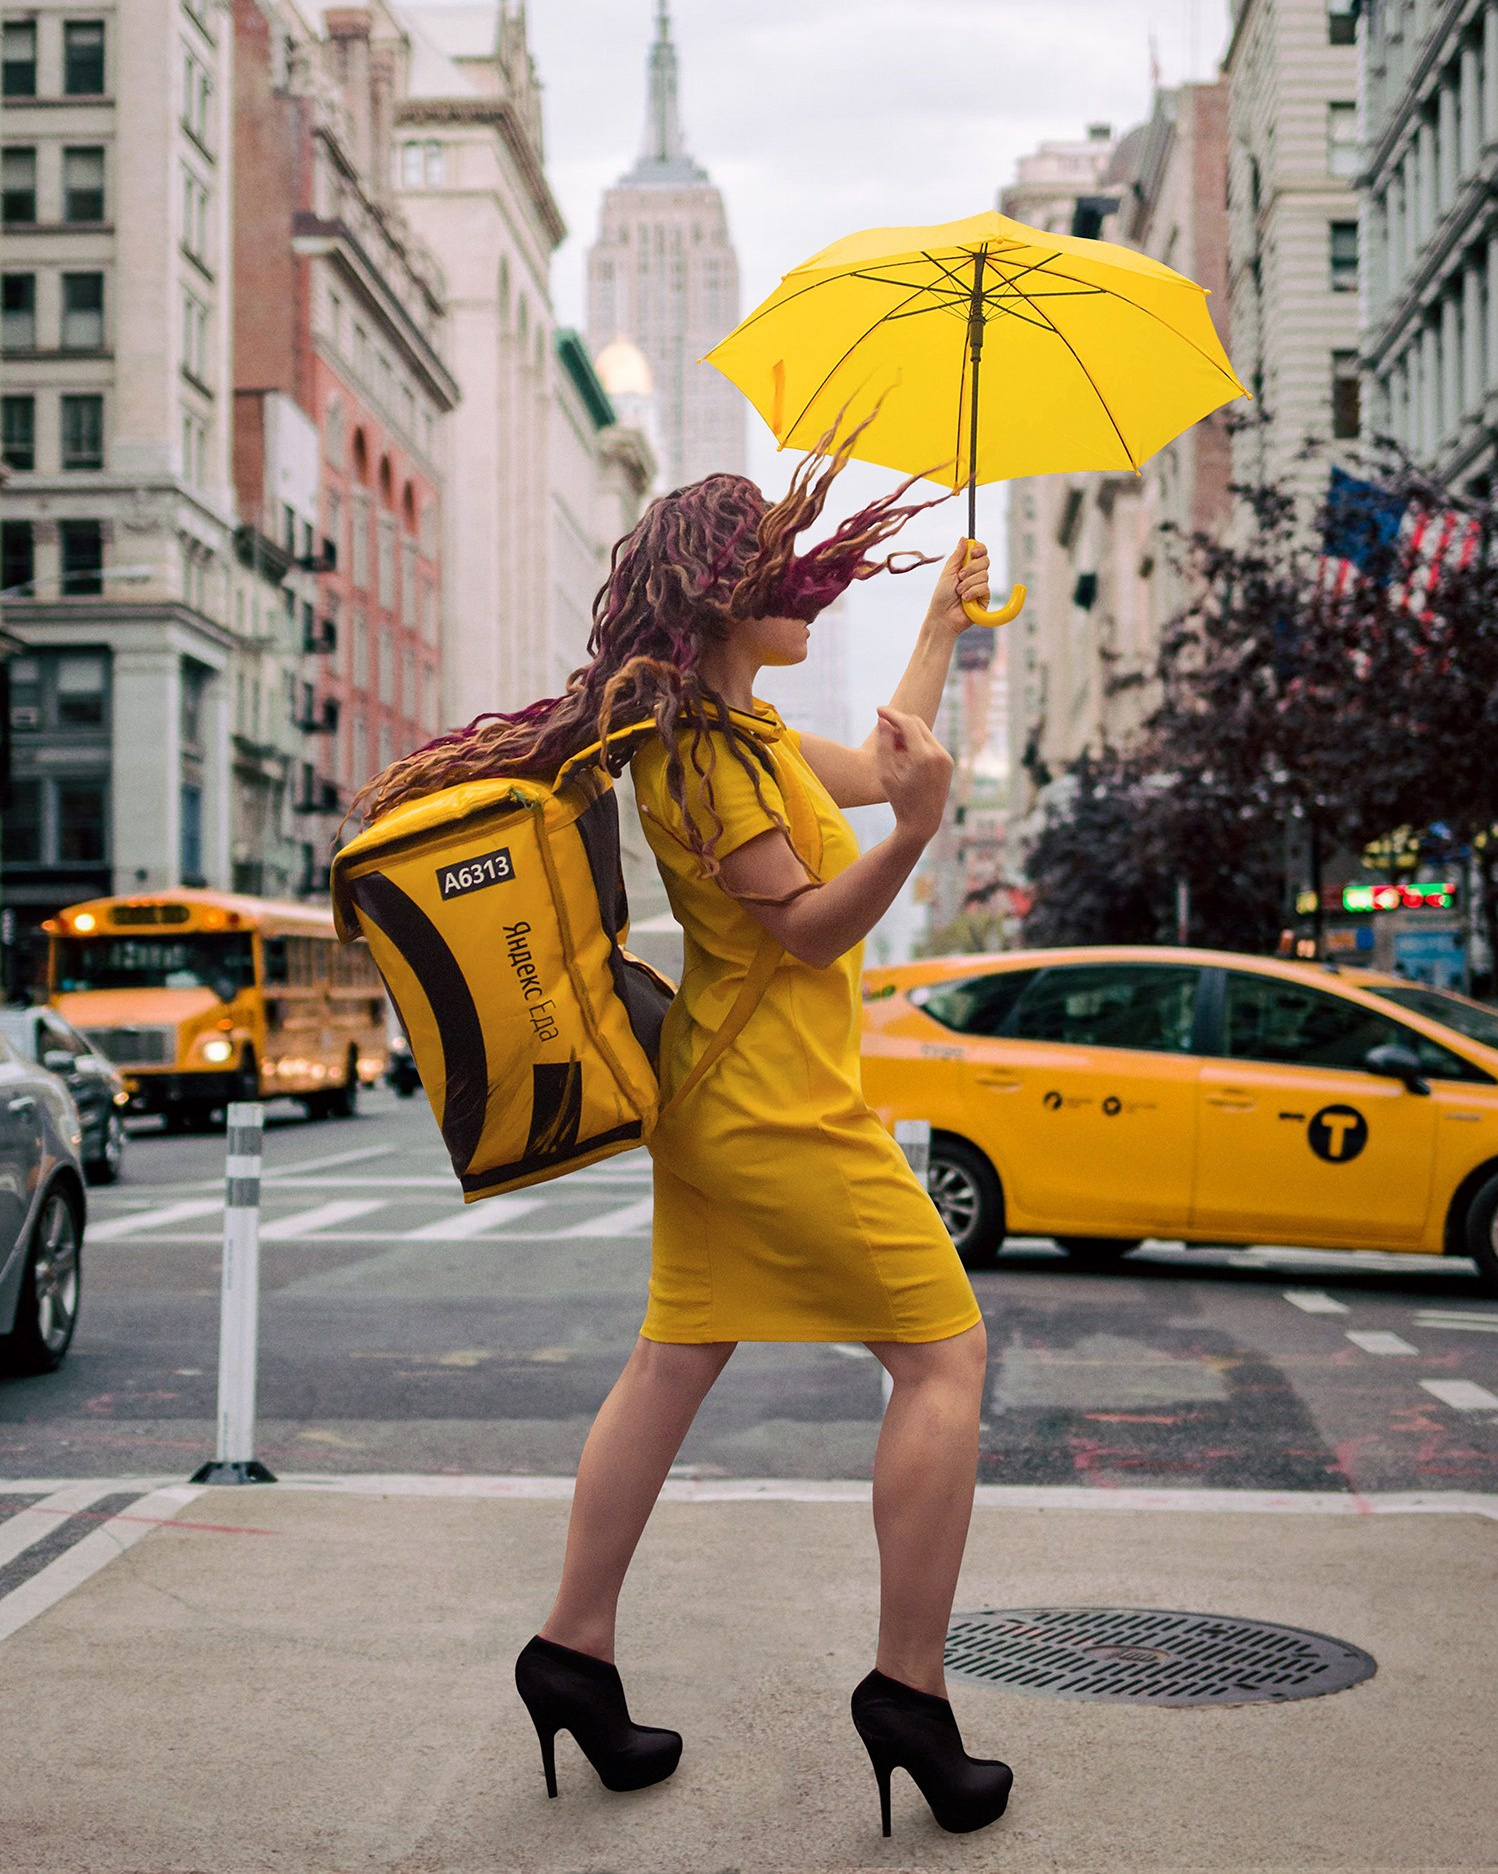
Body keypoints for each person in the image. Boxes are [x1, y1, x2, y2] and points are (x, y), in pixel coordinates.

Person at [355, 428, 1013, 1838]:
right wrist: (915, 835)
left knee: (670, 1362)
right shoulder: (707, 761)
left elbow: (880, 760)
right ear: (725, 596)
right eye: (792, 571)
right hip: (778, 1111)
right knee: (944, 1356)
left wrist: (940, 627)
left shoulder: (747, 734)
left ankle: (571, 1651)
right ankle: (911, 1688)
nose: (815, 592)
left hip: (721, 1100)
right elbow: (807, 921)